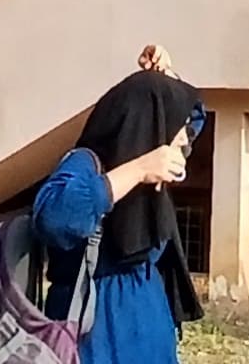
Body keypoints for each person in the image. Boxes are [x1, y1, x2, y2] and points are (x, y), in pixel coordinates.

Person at [34, 63, 208, 364]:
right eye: (177, 128)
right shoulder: (87, 162)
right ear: (149, 124)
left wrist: (167, 75)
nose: (183, 139)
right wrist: (138, 170)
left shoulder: (156, 157)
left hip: (148, 322)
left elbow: (195, 115)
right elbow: (53, 219)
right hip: (99, 328)